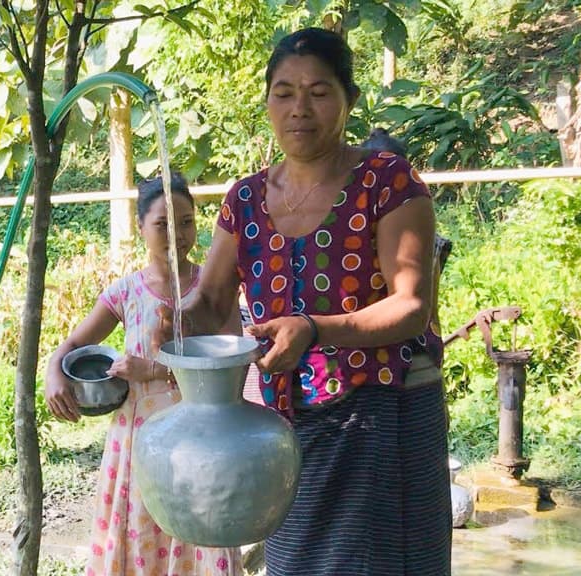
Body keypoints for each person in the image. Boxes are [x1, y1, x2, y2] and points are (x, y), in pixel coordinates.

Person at [171, 28, 451, 576]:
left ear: (349, 99)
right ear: (267, 102)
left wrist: (314, 329)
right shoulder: (245, 198)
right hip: (286, 422)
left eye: (319, 92)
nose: (300, 108)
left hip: (383, 410)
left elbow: (411, 304)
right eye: (284, 92)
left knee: (385, 563)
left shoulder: (388, 182)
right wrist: (170, 318)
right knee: (297, 561)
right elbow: (210, 300)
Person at [45, 174, 245, 576]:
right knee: (141, 541)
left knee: (200, 535)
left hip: (201, 442)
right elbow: (69, 347)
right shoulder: (126, 292)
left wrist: (152, 370)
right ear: (140, 229)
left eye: (187, 222)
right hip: (139, 442)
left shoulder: (214, 288)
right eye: (163, 224)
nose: (178, 234)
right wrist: (54, 372)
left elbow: (233, 366)